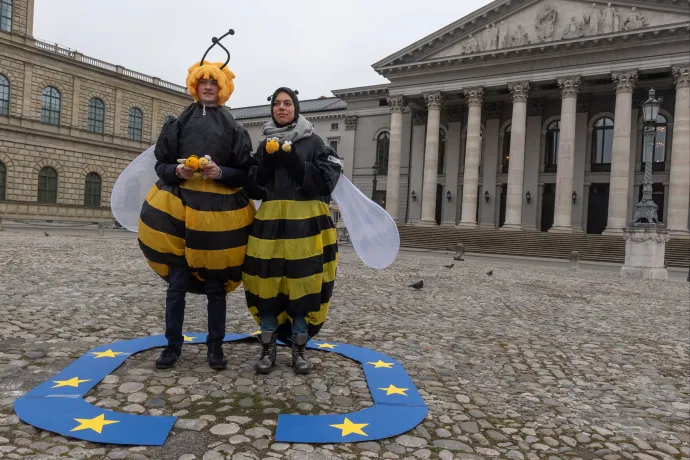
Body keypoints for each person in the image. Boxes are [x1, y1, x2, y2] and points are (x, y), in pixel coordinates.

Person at [137, 31, 255, 370]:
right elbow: (161, 163)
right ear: (194, 84)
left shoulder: (234, 126)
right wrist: (177, 171)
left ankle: (215, 347)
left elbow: (245, 172)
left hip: (220, 219)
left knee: (216, 288)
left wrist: (222, 173)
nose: (207, 87)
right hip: (177, 214)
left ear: (222, 88)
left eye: (212, 83)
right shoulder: (178, 122)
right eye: (202, 81)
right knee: (176, 285)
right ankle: (172, 346)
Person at [242, 87, 341, 375]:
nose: (281, 108)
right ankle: (268, 348)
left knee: (303, 286)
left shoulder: (315, 141)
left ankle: (299, 349)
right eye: (276, 104)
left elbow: (326, 182)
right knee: (267, 285)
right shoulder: (263, 145)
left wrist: (295, 163)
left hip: (306, 222)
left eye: (287, 103)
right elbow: (252, 186)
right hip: (270, 223)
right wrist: (266, 164)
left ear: (296, 108)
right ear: (271, 109)